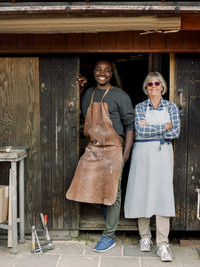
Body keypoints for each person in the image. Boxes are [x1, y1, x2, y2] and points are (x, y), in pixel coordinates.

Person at [66, 60, 134, 252]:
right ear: (94, 72)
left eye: (106, 70)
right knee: (82, 185)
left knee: (113, 193)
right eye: (98, 70)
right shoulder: (89, 93)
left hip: (113, 149)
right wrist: (79, 88)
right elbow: (81, 111)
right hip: (93, 148)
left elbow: (130, 126)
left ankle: (109, 236)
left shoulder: (120, 96)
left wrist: (125, 154)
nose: (102, 73)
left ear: (111, 74)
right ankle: (107, 210)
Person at [124, 72, 181, 262]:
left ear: (163, 86)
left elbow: (176, 131)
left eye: (157, 83)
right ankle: (145, 237)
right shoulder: (140, 107)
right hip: (142, 154)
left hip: (163, 153)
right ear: (145, 88)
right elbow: (140, 129)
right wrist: (163, 126)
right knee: (143, 192)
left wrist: (152, 126)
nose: (154, 86)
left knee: (163, 194)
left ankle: (163, 243)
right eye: (150, 84)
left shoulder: (171, 106)